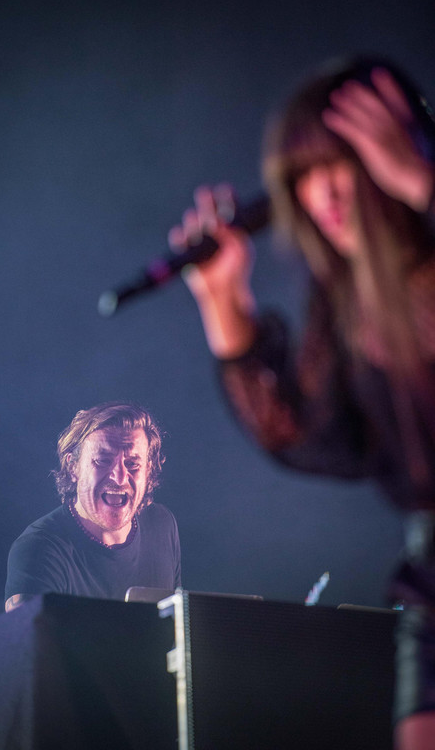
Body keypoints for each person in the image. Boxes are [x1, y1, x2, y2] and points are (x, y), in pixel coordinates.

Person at [168, 56, 435, 749]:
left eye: (340, 161)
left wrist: (423, 182)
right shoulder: (346, 307)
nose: (324, 194)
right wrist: (224, 303)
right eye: (303, 176)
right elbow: (315, 438)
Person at [5, 401, 181, 610]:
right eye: (103, 461)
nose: (119, 478)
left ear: (148, 471)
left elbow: (179, 623)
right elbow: (26, 631)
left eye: (132, 464)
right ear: (73, 467)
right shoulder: (38, 548)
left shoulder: (162, 524)